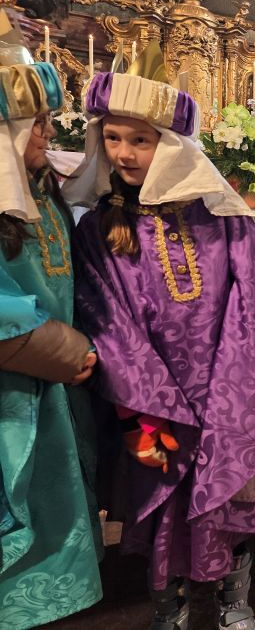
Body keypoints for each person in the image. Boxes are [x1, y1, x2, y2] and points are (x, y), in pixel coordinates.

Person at [65, 45, 255, 630]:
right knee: (160, 504)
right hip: (149, 400)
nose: (124, 153)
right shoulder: (101, 229)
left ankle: (234, 601)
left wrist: (235, 385)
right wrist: (148, 398)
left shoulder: (223, 218)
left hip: (229, 388)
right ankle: (168, 606)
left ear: (173, 145)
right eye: (113, 138)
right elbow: (102, 315)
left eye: (140, 140)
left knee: (235, 499)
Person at [0, 54, 103, 629]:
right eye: (34, 122)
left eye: (46, 120)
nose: (47, 132)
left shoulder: (40, 188)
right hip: (16, 387)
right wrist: (67, 351)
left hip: (61, 382)